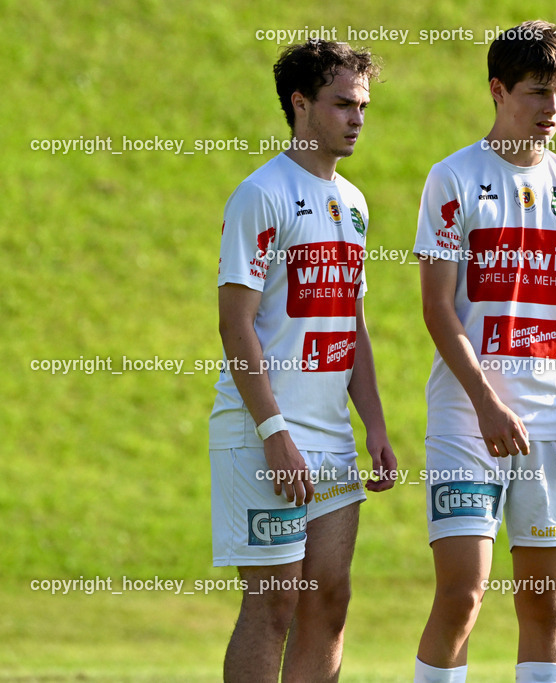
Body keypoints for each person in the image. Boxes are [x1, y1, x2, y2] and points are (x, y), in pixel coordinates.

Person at [412, 20, 556, 683]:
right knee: (462, 595)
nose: (552, 108)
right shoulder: (453, 178)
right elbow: (437, 308)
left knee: (545, 603)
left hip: (550, 421)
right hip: (465, 420)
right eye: (538, 92)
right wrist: (485, 402)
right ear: (498, 90)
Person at [209, 39, 397, 682]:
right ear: (300, 104)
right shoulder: (260, 194)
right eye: (343, 104)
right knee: (273, 604)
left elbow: (352, 323)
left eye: (363, 106)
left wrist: (374, 425)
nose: (357, 118)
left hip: (332, 435)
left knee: (330, 601)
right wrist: (274, 433)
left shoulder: (355, 202)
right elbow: (234, 323)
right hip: (263, 431)